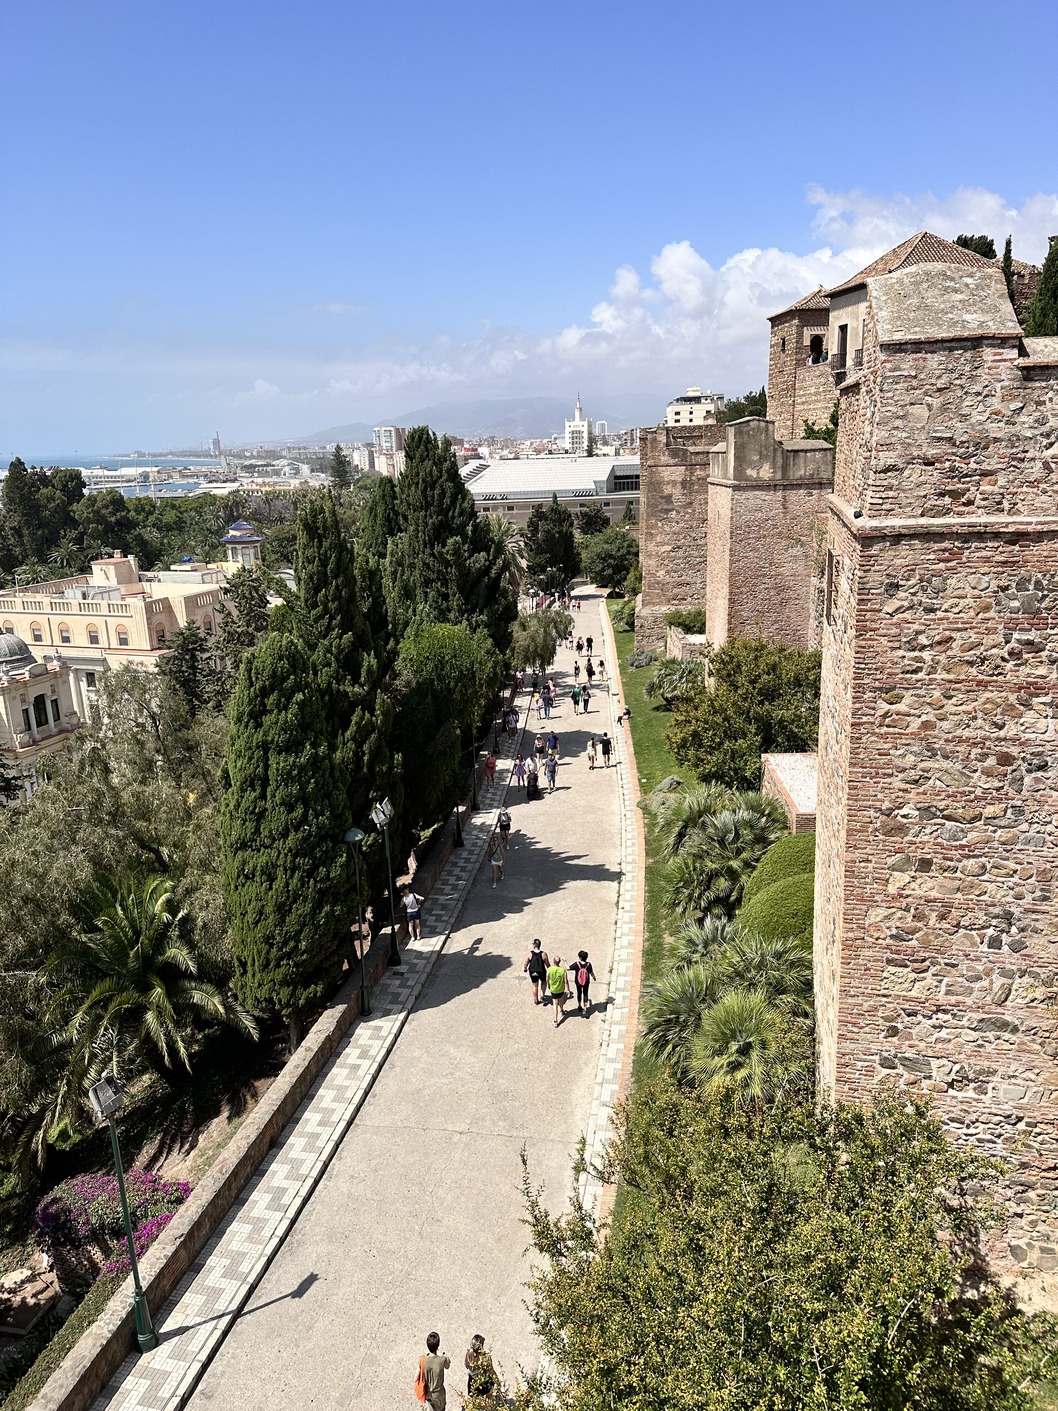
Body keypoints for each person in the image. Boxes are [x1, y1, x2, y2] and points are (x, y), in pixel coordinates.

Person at [422, 1332, 450, 1410]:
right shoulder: (442, 1360)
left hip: (428, 1393)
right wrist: (446, 1358)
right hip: (439, 1394)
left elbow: (416, 1378)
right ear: (438, 1345)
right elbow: (447, 1366)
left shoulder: (423, 1360)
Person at [465, 1335, 496, 1400]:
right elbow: (491, 1370)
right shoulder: (486, 1356)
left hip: (473, 1382)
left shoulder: (468, 1354)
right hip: (485, 1381)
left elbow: (466, 1365)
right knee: (489, 1396)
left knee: (475, 1400)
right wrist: (496, 1380)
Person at [523, 937, 550, 1005]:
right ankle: (542, 995)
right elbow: (547, 964)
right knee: (543, 982)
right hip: (541, 971)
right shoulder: (544, 954)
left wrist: (525, 968)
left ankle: (535, 999)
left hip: (533, 971)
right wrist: (550, 970)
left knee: (535, 985)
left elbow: (526, 963)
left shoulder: (530, 953)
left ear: (534, 945)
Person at [570, 950, 597, 1015]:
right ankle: (585, 1009)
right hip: (586, 982)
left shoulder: (577, 964)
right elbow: (591, 972)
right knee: (585, 994)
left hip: (578, 982)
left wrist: (565, 961)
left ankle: (579, 1006)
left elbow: (568, 968)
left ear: (579, 957)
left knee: (579, 993)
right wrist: (594, 977)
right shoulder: (588, 964)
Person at [547, 954, 569, 1026]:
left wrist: (549, 985)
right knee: (561, 1000)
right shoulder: (562, 970)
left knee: (555, 1004)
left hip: (553, 989)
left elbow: (547, 979)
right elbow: (566, 981)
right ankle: (562, 1010)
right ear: (559, 962)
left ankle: (555, 1021)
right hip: (561, 989)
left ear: (553, 961)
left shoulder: (549, 969)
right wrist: (568, 989)